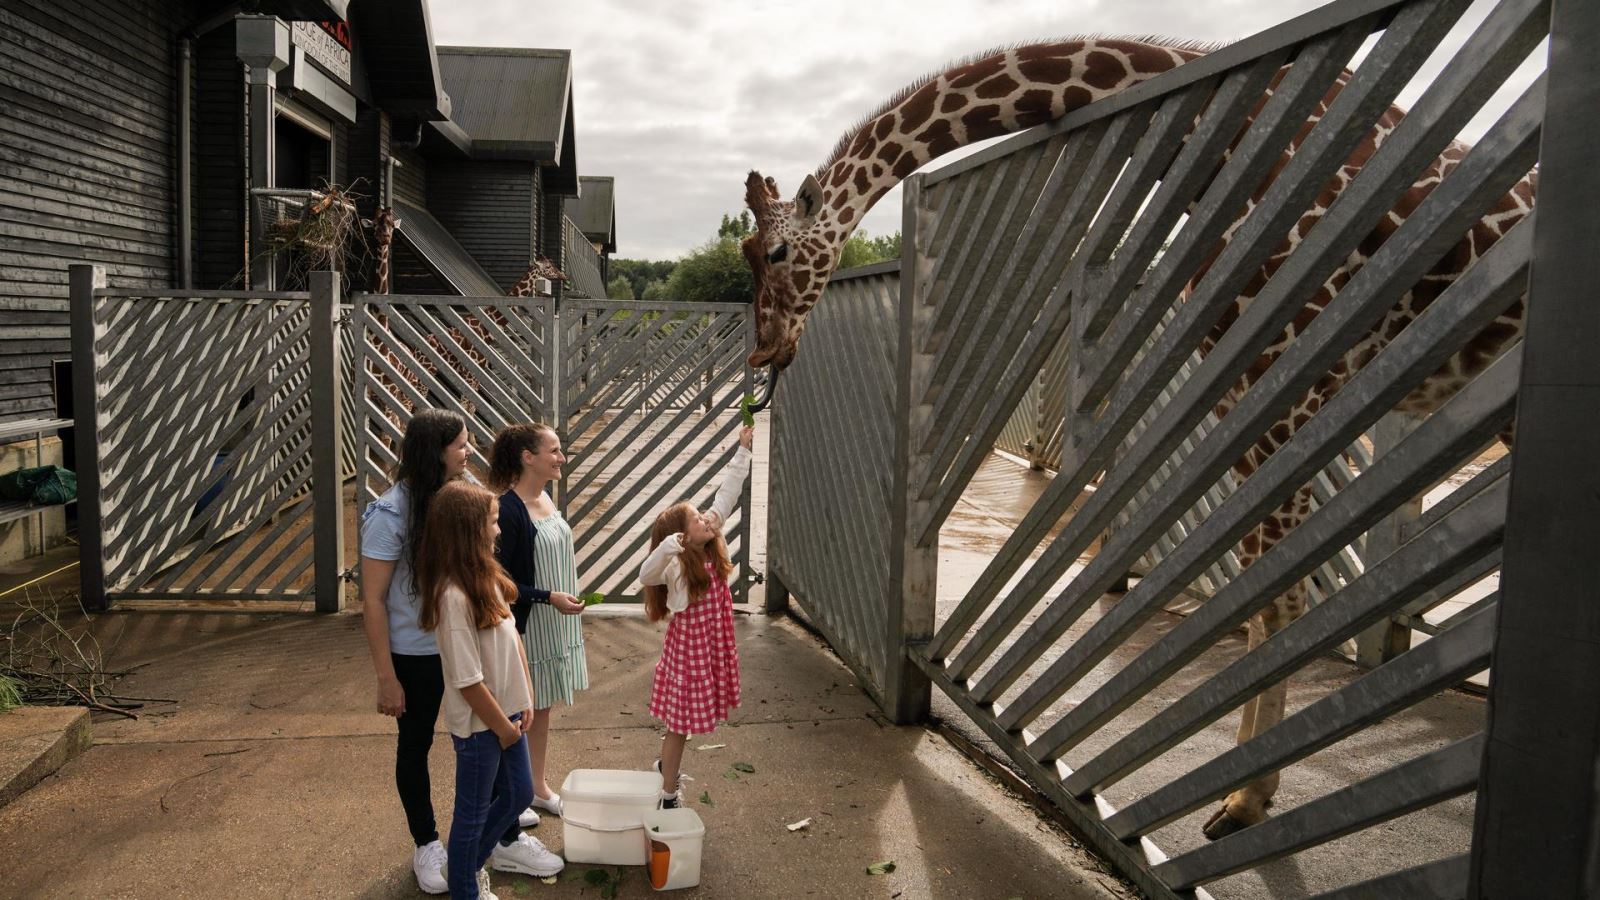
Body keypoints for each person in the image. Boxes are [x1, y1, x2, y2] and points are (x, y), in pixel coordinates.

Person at [416, 481, 563, 899]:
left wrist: (526, 695)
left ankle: (465, 866)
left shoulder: (488, 576)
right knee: (472, 814)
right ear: (467, 530)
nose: (499, 531)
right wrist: (502, 727)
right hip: (483, 728)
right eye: (493, 523)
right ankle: (465, 887)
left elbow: (513, 636)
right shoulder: (452, 596)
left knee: (518, 792)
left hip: (508, 717)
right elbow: (466, 680)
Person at [359, 409, 471, 893]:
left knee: (479, 739)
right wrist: (387, 677)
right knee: (416, 745)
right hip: (416, 656)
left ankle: (491, 831)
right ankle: (426, 844)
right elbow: (372, 600)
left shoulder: (458, 499)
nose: (468, 452)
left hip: (464, 645)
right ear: (437, 451)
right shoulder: (389, 514)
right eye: (462, 445)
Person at [637, 426, 754, 808]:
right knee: (679, 726)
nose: (706, 518)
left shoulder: (710, 541)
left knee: (683, 726)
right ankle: (667, 794)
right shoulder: (675, 567)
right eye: (696, 519)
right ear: (682, 536)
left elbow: (728, 493)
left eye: (703, 515)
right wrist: (667, 549)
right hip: (689, 653)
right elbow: (645, 576)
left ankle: (665, 770)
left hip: (710, 646)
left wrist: (742, 451)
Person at [486, 423, 587, 823]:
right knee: (524, 709)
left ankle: (535, 787)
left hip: (557, 621)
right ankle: (516, 791)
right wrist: (549, 597)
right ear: (528, 458)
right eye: (554, 451)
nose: (561, 458)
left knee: (542, 708)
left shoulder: (545, 497)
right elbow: (502, 582)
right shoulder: (508, 510)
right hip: (532, 624)